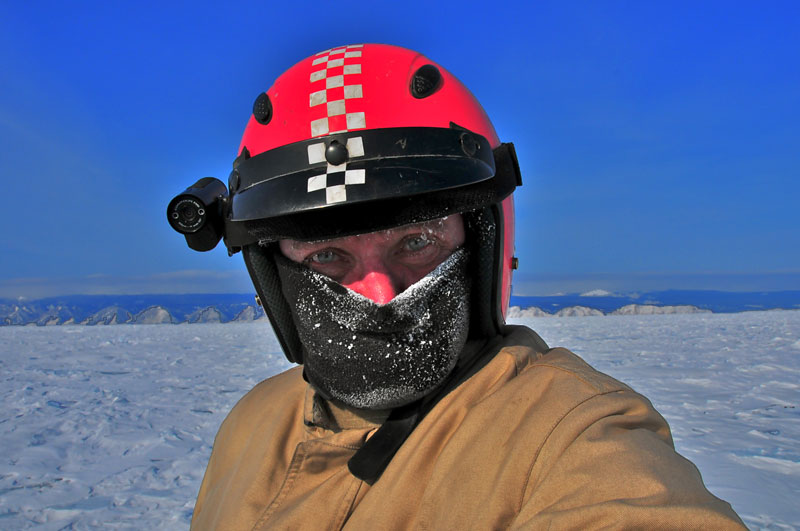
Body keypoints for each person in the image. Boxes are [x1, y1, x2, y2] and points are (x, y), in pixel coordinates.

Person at [168, 44, 745, 529]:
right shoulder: (253, 425)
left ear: (482, 245)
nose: (377, 291)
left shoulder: (565, 433)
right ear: (273, 271)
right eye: (326, 255)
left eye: (415, 242)